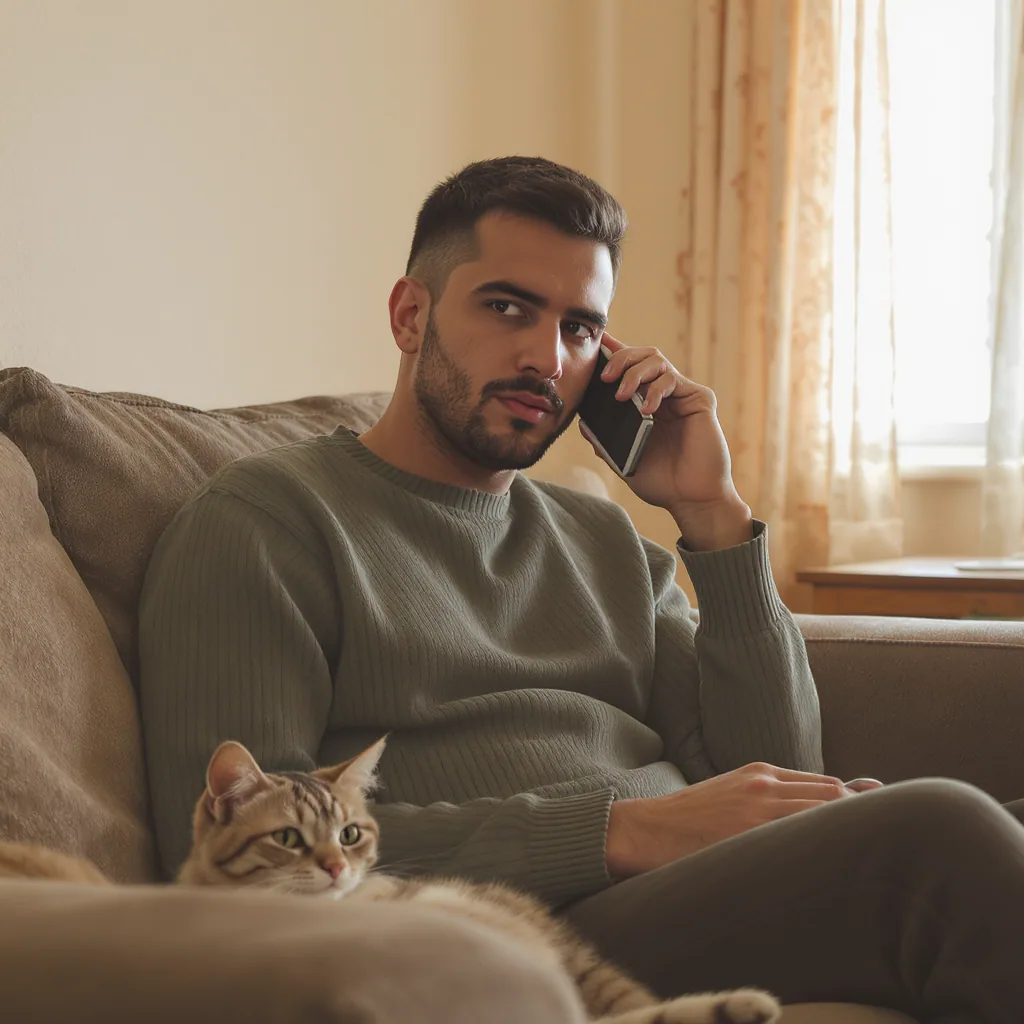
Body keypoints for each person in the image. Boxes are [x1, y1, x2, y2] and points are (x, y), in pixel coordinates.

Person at [139, 156, 1024, 1021]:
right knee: (941, 834)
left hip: (698, 886)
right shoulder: (264, 523)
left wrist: (712, 516)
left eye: (580, 329)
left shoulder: (603, 539)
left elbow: (784, 769)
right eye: (507, 308)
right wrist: (615, 831)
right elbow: (234, 857)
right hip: (524, 927)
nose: (547, 358)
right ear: (411, 315)